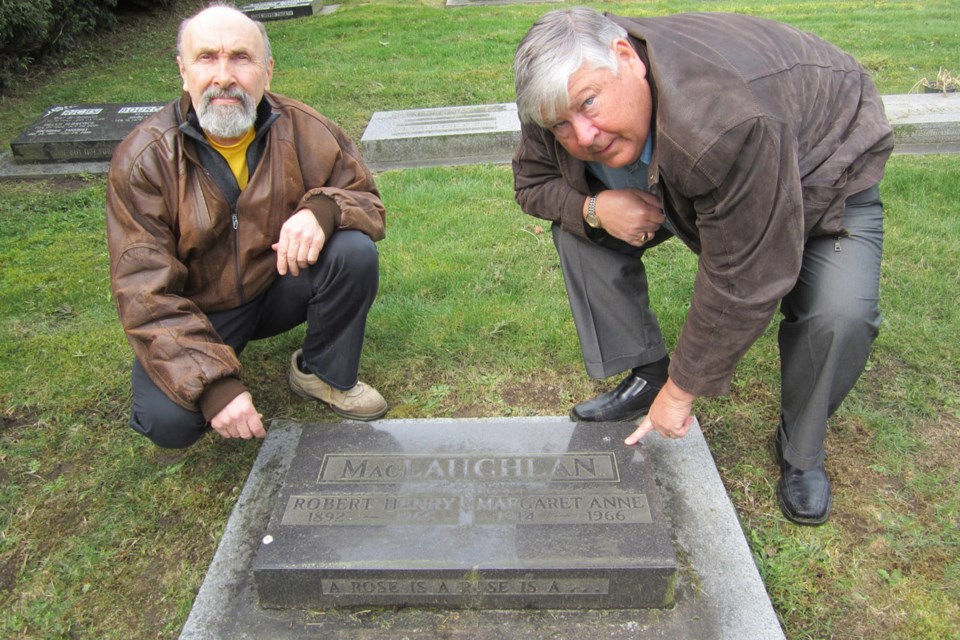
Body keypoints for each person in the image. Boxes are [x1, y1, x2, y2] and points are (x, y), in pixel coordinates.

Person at [512, 7, 893, 525]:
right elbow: (532, 184)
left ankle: (800, 449)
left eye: (590, 104)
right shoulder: (557, 92)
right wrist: (595, 208)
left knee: (839, 315)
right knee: (580, 231)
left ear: (627, 58)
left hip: (822, 168)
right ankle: (647, 371)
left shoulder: (725, 121)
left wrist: (682, 393)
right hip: (690, 172)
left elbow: (744, 275)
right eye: (562, 124)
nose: (584, 136)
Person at [106, 3, 388, 450]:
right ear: (183, 72)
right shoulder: (145, 159)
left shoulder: (306, 129)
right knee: (169, 423)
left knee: (352, 251)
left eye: (241, 57)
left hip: (276, 286)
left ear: (267, 71)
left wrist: (322, 211)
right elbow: (144, 293)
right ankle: (211, 366)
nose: (223, 76)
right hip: (198, 310)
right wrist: (216, 389)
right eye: (206, 58)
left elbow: (366, 201)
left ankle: (322, 373)